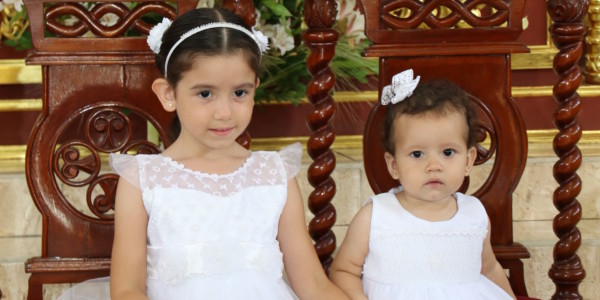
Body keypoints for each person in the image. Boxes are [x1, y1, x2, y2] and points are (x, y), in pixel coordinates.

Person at [59, 7, 348, 300]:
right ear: (168, 93)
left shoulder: (274, 176)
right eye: (205, 94)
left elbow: (313, 283)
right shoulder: (143, 180)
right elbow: (127, 290)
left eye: (240, 93)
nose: (224, 113)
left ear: (255, 88)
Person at [329, 70, 516, 300]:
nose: (434, 165)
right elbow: (344, 270)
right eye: (417, 154)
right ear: (393, 164)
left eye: (448, 152)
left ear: (468, 160)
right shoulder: (376, 216)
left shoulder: (474, 214)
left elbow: (488, 269)